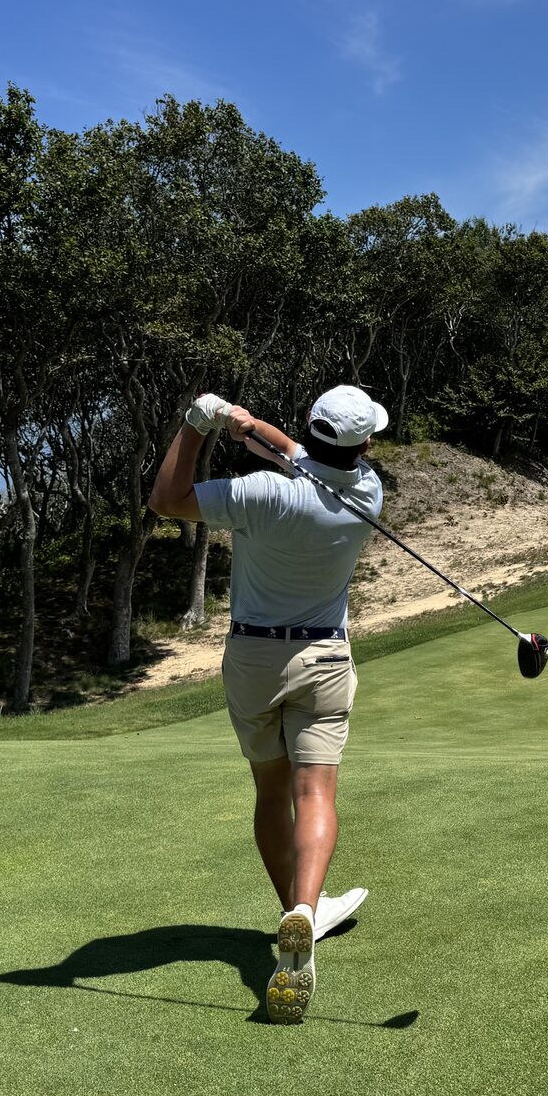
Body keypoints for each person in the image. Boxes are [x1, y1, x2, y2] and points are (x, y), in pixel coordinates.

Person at [147, 384, 389, 1024]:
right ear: (362, 445)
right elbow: (306, 461)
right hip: (325, 661)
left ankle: (296, 911)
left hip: (254, 659)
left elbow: (167, 499)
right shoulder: (366, 492)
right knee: (316, 796)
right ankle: (307, 909)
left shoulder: (261, 493)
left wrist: (198, 425)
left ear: (311, 430)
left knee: (270, 793)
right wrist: (251, 426)